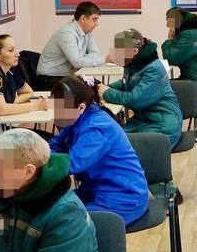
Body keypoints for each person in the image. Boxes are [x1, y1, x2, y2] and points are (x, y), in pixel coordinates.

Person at [48, 77, 148, 225]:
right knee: (49, 211)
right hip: (94, 190)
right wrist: (44, 157)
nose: (55, 114)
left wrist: (39, 164)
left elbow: (72, 164)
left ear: (81, 108)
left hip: (123, 196)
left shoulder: (96, 127)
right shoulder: (76, 119)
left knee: (63, 224)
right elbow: (56, 144)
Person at [102, 29, 182, 149]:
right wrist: (104, 87)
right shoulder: (134, 63)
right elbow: (126, 83)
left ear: (135, 51)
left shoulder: (154, 69)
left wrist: (106, 92)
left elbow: (135, 99)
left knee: (116, 147)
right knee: (109, 140)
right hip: (144, 120)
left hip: (163, 125)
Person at [36, 1, 108, 92]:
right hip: (50, 79)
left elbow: (96, 53)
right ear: (83, 18)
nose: (97, 24)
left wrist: (80, 60)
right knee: (94, 92)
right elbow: (77, 62)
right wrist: (106, 59)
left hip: (68, 76)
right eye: (94, 19)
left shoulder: (87, 32)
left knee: (102, 88)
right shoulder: (67, 33)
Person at [161, 8, 197, 96]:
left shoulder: (189, 36)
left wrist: (170, 38)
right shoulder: (191, 32)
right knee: (161, 85)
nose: (167, 25)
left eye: (168, 21)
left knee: (159, 88)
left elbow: (170, 59)